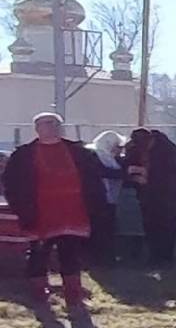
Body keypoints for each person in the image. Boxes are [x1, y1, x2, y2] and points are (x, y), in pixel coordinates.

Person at [4, 112, 111, 312]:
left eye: (54, 123)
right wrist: (22, 209)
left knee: (70, 255)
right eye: (45, 124)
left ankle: (73, 297)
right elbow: (11, 184)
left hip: (73, 214)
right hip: (39, 216)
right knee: (38, 255)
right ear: (36, 129)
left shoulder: (78, 152)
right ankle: (39, 296)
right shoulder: (24, 155)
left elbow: (94, 180)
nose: (51, 127)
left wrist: (96, 207)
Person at [125, 126, 176, 263]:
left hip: (168, 195)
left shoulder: (168, 149)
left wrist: (148, 177)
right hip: (146, 195)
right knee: (150, 225)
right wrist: (134, 176)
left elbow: (169, 174)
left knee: (167, 226)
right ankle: (154, 256)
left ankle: (166, 257)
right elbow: (128, 164)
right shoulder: (136, 148)